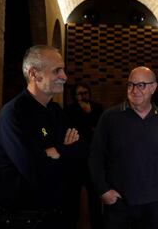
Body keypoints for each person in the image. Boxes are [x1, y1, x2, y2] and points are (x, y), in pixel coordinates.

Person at [0, 45, 83, 229]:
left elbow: (81, 151)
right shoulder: (13, 114)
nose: (64, 77)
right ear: (34, 74)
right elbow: (34, 170)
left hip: (58, 216)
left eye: (63, 70)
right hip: (23, 220)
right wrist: (65, 149)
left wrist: (55, 152)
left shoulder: (56, 111)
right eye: (57, 70)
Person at [88, 66, 158, 229]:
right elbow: (95, 157)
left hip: (152, 203)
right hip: (119, 204)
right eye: (130, 85)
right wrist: (104, 191)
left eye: (141, 85)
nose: (134, 90)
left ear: (153, 88)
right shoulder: (109, 117)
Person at [64, 83, 104, 229]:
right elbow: (72, 132)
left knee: (95, 196)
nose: (83, 96)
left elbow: (100, 131)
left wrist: (87, 119)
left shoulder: (97, 108)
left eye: (85, 93)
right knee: (72, 196)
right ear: (74, 96)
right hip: (75, 160)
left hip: (93, 159)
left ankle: (97, 224)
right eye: (79, 94)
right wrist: (87, 120)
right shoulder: (69, 110)